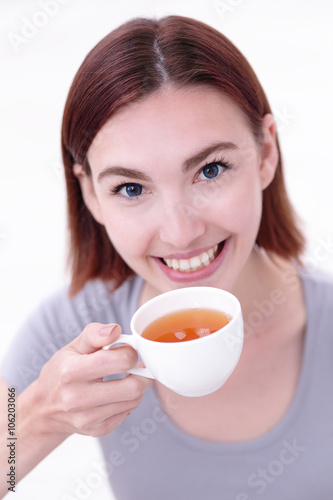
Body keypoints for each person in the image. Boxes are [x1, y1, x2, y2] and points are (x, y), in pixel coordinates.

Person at [1, 15, 332, 500]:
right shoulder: (68, 331)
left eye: (211, 169)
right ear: (91, 195)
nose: (180, 232)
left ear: (265, 154)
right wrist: (35, 419)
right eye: (131, 188)